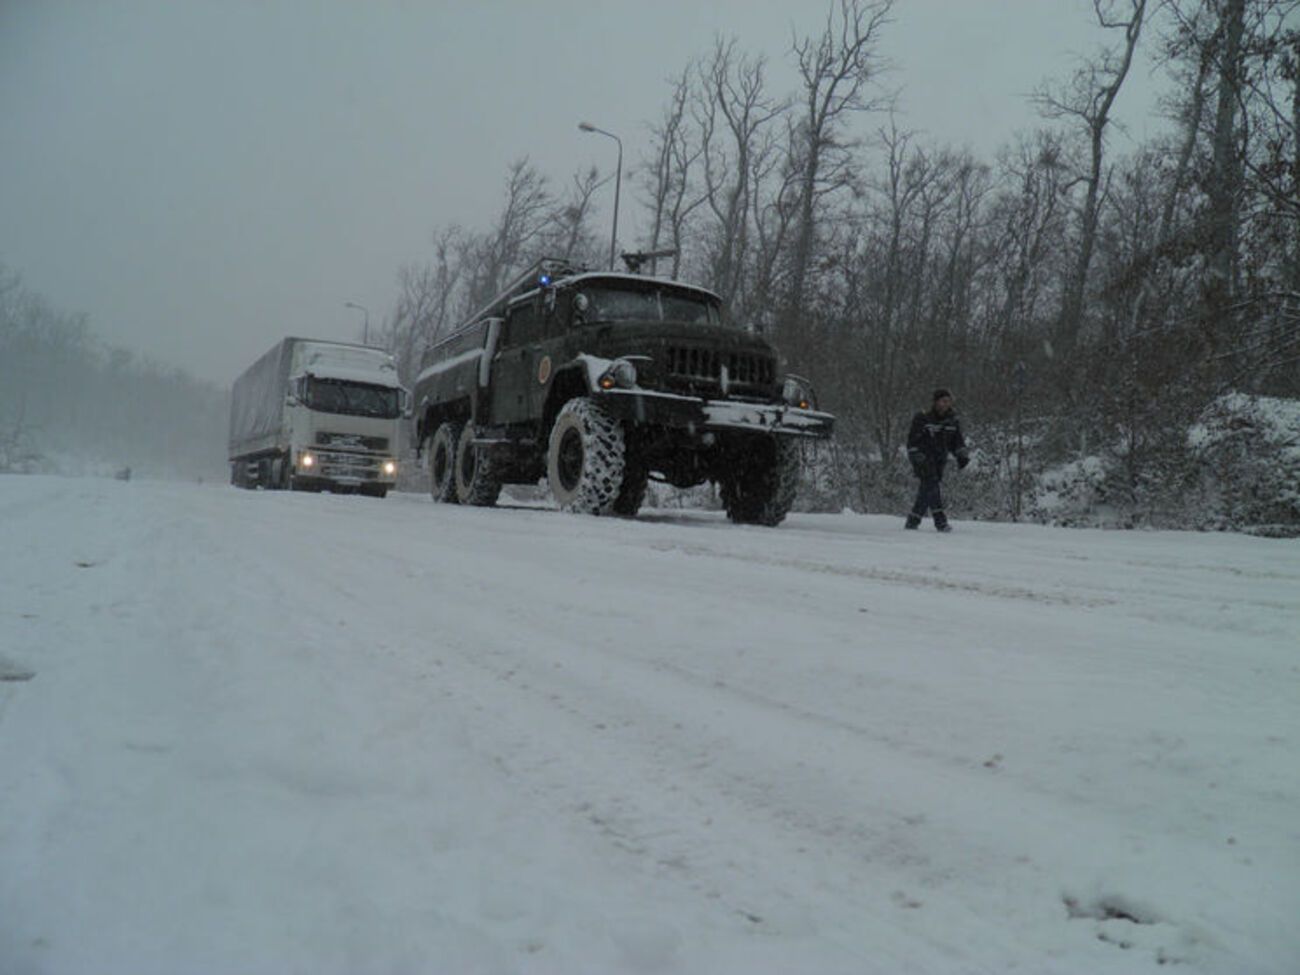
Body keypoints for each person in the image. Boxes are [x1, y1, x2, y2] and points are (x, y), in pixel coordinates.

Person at [905, 388, 969, 532]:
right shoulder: (923, 418)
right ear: (936, 402)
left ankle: (913, 520)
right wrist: (917, 456)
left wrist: (961, 455)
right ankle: (940, 522)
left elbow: (956, 441)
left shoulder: (952, 420)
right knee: (931, 484)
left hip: (940, 460)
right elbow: (912, 441)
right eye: (943, 401)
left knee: (927, 490)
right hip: (923, 459)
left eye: (948, 401)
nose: (946, 404)